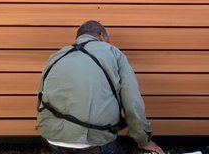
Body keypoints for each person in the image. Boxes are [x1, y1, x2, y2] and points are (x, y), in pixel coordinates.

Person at [37, 20, 164, 154]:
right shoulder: (113, 53)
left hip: (52, 138)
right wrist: (144, 140)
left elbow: (40, 97)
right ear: (101, 36)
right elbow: (132, 101)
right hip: (95, 143)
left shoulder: (56, 56)